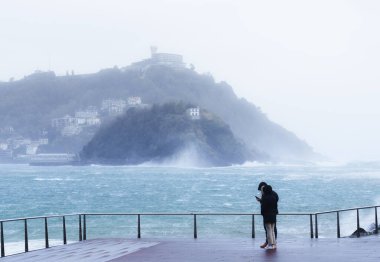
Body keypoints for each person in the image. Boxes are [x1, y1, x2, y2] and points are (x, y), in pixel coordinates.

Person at [256, 181, 279, 249]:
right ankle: (274, 244)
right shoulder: (274, 196)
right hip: (273, 215)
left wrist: (261, 202)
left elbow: (263, 208)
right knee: (272, 230)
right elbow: (275, 205)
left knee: (269, 230)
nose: (261, 191)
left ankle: (270, 244)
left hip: (267, 216)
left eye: (262, 189)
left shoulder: (265, 197)